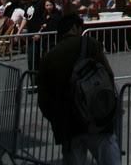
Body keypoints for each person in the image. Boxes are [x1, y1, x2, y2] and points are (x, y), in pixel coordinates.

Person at [37, 12, 121, 165]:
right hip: (98, 118)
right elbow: (108, 75)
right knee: (110, 159)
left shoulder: (48, 58)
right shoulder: (90, 44)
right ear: (74, 28)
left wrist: (58, 119)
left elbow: (44, 99)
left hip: (69, 125)